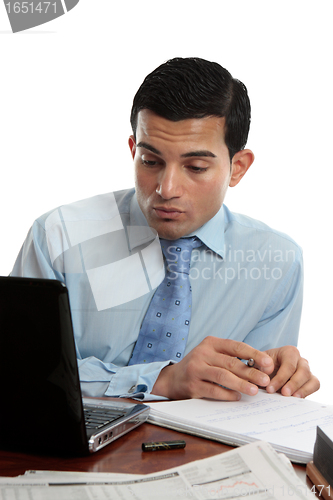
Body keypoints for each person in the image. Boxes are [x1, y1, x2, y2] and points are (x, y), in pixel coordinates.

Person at [11, 57, 319, 401]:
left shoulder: (276, 261)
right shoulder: (58, 237)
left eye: (196, 167)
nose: (166, 188)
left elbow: (254, 398)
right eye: (151, 161)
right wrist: (160, 381)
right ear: (133, 150)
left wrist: (278, 379)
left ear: (238, 168)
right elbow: (17, 369)